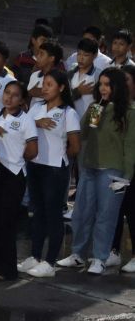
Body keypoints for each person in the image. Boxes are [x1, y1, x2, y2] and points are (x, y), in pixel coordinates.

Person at [57, 69, 135, 275]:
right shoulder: (96, 107)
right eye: (101, 84)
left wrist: (125, 178)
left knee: (106, 216)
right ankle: (77, 254)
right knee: (82, 213)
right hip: (89, 168)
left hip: (113, 171)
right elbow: (82, 133)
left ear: (118, 87)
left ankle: (100, 258)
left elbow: (130, 147)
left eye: (108, 84)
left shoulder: (129, 111)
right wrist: (93, 114)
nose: (103, 88)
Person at [18, 69, 81, 278]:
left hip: (55, 169)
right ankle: (35, 256)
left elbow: (75, 146)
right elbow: (23, 129)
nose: (44, 88)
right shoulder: (36, 108)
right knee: (37, 212)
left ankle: (50, 262)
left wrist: (60, 158)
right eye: (43, 84)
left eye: (49, 85)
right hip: (35, 165)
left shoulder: (68, 113)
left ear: (61, 88)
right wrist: (38, 122)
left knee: (53, 214)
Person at [0, 81, 38, 281]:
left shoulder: (26, 120)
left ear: (22, 100)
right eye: (7, 93)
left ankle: (7, 269)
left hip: (13, 173)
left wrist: (16, 156)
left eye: (15, 95)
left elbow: (32, 150)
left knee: (7, 222)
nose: (9, 98)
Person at [113, 65, 135, 270]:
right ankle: (113, 251)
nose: (122, 85)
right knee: (115, 210)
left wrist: (127, 174)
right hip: (116, 166)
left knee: (131, 210)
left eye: (126, 80)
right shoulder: (113, 107)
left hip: (130, 169)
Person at [70, 38, 100, 122]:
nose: (81, 58)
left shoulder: (98, 75)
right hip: (69, 122)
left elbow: (99, 102)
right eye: (79, 54)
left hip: (86, 124)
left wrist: (93, 122)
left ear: (95, 55)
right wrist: (78, 91)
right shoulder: (70, 73)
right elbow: (62, 98)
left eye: (86, 55)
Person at [27, 39, 63, 109]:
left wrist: (37, 91)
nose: (37, 57)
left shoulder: (61, 78)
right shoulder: (34, 75)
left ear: (51, 58)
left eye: (41, 54)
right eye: (38, 53)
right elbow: (29, 94)